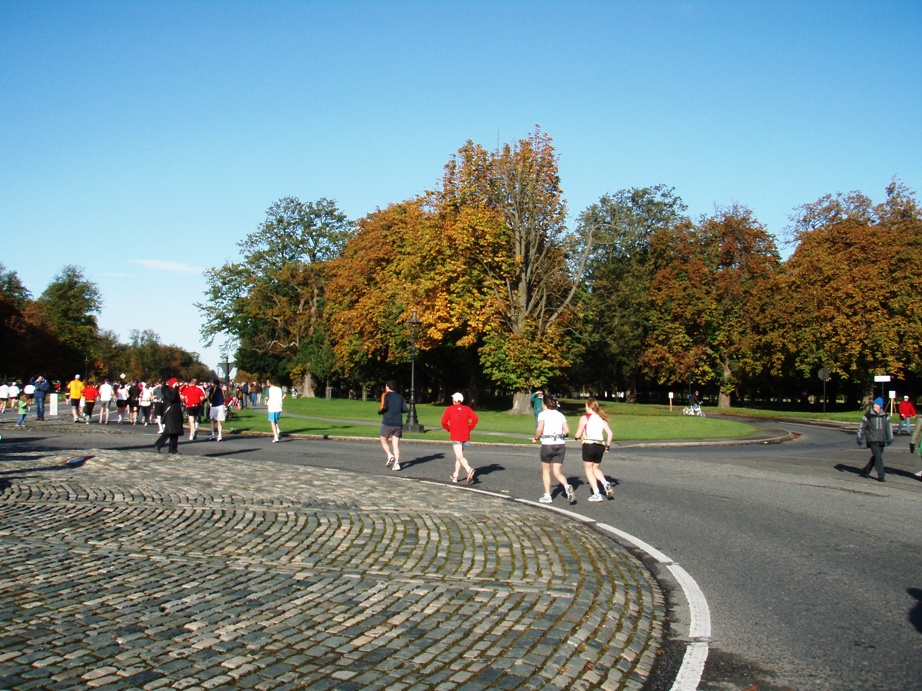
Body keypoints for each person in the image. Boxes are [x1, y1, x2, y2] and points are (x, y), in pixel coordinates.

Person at [533, 394, 574, 504]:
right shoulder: (560, 415)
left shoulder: (542, 414)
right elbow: (567, 430)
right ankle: (567, 486)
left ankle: (547, 495)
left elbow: (539, 429)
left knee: (546, 471)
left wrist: (536, 437)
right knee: (557, 471)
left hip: (547, 444)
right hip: (560, 445)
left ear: (545, 404)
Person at [574, 398, 615, 501]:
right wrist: (607, 446)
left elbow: (578, 434)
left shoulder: (585, 418)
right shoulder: (602, 419)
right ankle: (605, 483)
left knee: (588, 470)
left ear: (589, 406)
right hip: (600, 445)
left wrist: (576, 437)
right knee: (595, 469)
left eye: (586, 406)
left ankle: (596, 493)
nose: (585, 408)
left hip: (589, 444)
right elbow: (610, 434)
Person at [440, 392, 478, 484]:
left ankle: (469, 469)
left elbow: (443, 422)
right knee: (459, 456)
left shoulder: (450, 409)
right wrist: (469, 428)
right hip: (465, 435)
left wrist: (448, 428)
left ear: (454, 400)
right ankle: (455, 475)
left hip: (456, 435)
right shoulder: (467, 409)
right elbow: (475, 418)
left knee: (459, 456)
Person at [857, 397, 893, 482]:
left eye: (877, 405)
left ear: (880, 406)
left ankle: (866, 471)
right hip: (872, 439)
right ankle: (881, 475)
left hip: (882, 439)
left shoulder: (885, 416)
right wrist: (859, 437)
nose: (875, 406)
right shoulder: (868, 415)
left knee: (876, 457)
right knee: (878, 457)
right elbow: (862, 426)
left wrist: (890, 438)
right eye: (874, 404)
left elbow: (889, 428)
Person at [378, 380, 408, 470]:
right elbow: (405, 409)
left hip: (388, 421)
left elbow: (384, 407)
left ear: (388, 387)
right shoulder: (400, 397)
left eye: (386, 386)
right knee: (395, 444)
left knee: (383, 439)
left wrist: (380, 412)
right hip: (398, 422)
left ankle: (389, 454)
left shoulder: (385, 395)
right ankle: (397, 463)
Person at [154, 378, 184, 454]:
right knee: (169, 431)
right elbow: (172, 398)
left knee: (175, 432)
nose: (177, 385)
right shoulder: (166, 390)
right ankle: (158, 444)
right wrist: (175, 390)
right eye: (176, 383)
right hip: (170, 413)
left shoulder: (176, 391)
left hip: (176, 413)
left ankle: (173, 449)